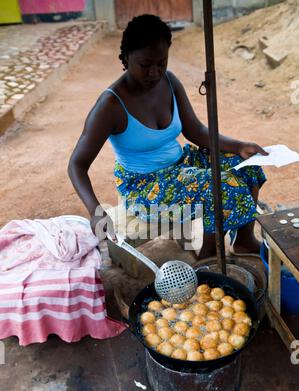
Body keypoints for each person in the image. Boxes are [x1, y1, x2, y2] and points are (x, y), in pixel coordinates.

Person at [68, 14, 267, 259]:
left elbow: (195, 130)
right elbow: (77, 165)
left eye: (161, 63)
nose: (154, 72)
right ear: (126, 56)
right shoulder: (110, 105)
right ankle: (209, 255)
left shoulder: (169, 81)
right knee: (220, 184)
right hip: (145, 187)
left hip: (181, 165)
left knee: (247, 166)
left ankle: (244, 241)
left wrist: (239, 146)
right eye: (145, 64)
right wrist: (95, 211)